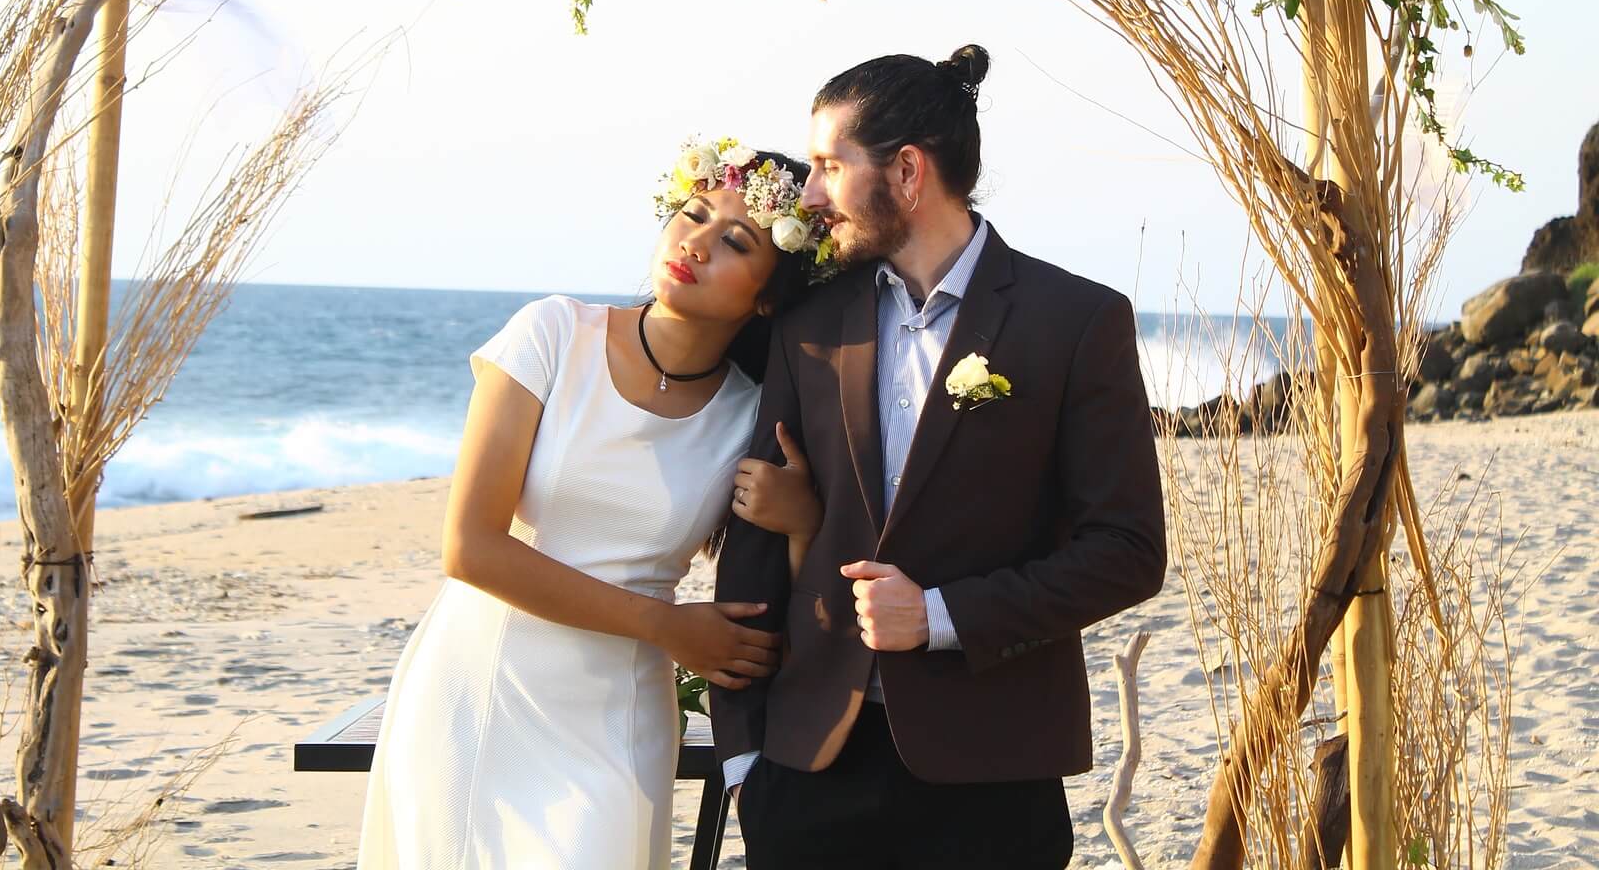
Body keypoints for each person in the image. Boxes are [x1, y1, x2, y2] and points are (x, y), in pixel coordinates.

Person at [713, 47, 1168, 870]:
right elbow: (752, 551)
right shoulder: (807, 323)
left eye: (827, 165)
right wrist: (746, 756)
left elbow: (1128, 554)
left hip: (993, 776)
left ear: (909, 171)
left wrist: (939, 616)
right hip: (809, 769)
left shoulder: (1076, 321)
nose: (811, 194)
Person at [357, 138, 833, 870]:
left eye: (733, 241)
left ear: (769, 294)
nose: (694, 243)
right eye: (692, 213)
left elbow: (788, 595)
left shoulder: (753, 418)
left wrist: (802, 519)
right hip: (481, 682)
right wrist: (667, 626)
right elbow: (470, 548)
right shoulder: (551, 334)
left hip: (619, 714)